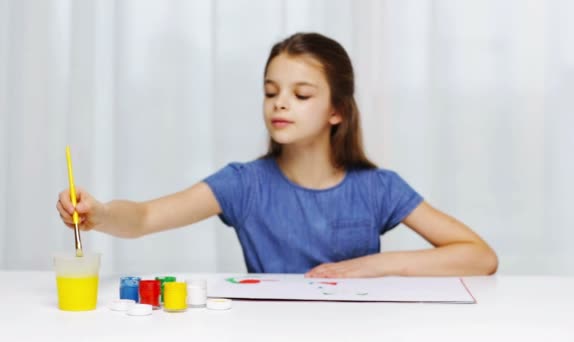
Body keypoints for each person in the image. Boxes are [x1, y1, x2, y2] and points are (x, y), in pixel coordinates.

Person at [56, 33, 498, 278]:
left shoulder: (379, 187)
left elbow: (480, 256)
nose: (280, 103)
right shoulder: (243, 184)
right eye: (272, 92)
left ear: (337, 111)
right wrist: (99, 213)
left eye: (301, 94)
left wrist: (372, 266)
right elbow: (147, 218)